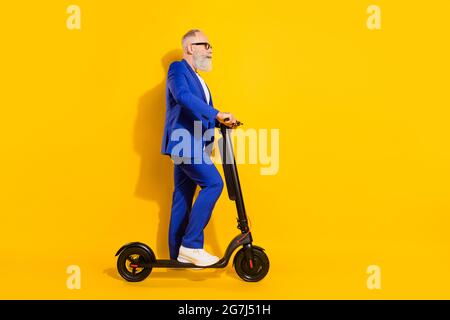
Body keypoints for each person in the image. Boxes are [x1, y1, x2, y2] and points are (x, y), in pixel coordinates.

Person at [161, 29, 238, 266]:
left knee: (182, 196)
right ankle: (192, 244)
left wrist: (219, 121)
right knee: (214, 183)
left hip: (195, 144)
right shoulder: (178, 69)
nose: (210, 49)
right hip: (184, 143)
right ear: (190, 48)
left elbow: (195, 109)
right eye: (206, 45)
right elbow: (182, 97)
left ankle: (177, 255)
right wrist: (217, 113)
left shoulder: (200, 80)